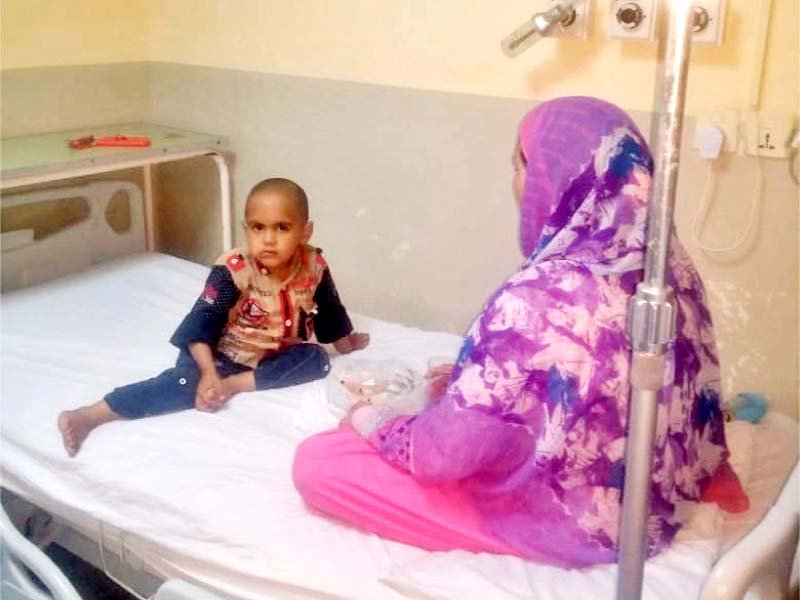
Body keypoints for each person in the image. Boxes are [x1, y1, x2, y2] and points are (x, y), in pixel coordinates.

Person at [293, 97, 741, 567]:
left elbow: (439, 455)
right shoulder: (670, 267)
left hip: (576, 518)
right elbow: (610, 382)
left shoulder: (537, 297)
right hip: (659, 490)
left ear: (553, 175)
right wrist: (482, 388)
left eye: (521, 167)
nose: (516, 184)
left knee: (320, 461)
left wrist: (371, 419)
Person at [58, 177, 369, 457]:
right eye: (258, 228)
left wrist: (343, 340)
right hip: (215, 353)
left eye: (282, 228)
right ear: (246, 228)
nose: (269, 239)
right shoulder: (234, 270)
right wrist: (208, 372)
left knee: (316, 359)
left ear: (305, 231)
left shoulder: (313, 264)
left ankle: (233, 384)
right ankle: (90, 415)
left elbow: (328, 305)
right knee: (181, 384)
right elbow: (199, 326)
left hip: (271, 355)